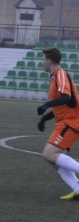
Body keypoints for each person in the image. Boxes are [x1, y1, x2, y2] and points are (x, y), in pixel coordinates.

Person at [37, 47, 79, 200]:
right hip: (65, 122)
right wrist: (44, 119)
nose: (42, 63)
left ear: (49, 61)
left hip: (71, 122)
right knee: (54, 159)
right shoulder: (55, 77)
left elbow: (66, 98)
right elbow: (61, 106)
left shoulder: (60, 74)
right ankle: (77, 188)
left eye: (43, 60)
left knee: (49, 154)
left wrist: (46, 104)